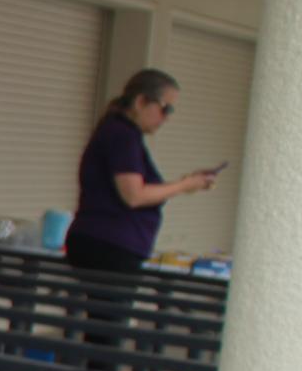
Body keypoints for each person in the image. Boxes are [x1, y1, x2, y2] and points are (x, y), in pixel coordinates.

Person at [66, 68, 217, 277]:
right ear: (140, 102)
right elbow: (134, 195)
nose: (167, 118)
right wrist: (184, 185)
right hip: (110, 246)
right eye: (166, 109)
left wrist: (186, 183)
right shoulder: (123, 135)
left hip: (102, 242)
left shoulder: (119, 132)